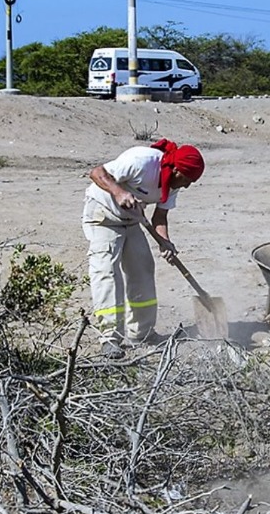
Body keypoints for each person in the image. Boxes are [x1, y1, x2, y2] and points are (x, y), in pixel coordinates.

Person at [82, 138, 205, 359]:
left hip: (131, 220)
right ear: (177, 169)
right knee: (107, 273)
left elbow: (160, 216)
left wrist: (165, 242)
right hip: (102, 215)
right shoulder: (142, 161)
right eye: (187, 180)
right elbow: (97, 172)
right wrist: (119, 192)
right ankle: (110, 338)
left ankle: (143, 332)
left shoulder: (172, 183)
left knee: (143, 269)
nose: (187, 185)